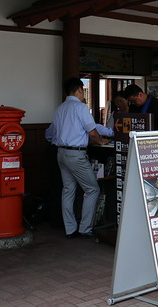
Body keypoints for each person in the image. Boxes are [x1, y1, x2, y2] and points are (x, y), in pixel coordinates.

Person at [45, 78, 114, 238]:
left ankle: (70, 229)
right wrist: (101, 141)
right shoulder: (81, 108)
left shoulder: (59, 109)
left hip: (60, 153)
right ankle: (85, 228)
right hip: (76, 154)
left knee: (68, 190)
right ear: (79, 90)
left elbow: (50, 134)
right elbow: (92, 131)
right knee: (92, 189)